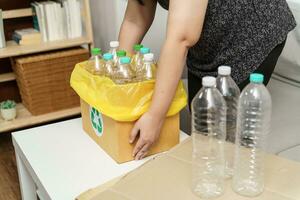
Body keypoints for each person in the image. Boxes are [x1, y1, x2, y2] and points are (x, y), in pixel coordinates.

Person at [118, 0, 296, 160]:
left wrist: (155, 117)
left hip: (253, 32)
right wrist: (120, 76)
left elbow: (181, 38)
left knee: (219, 138)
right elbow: (137, 16)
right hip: (208, 44)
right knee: (203, 129)